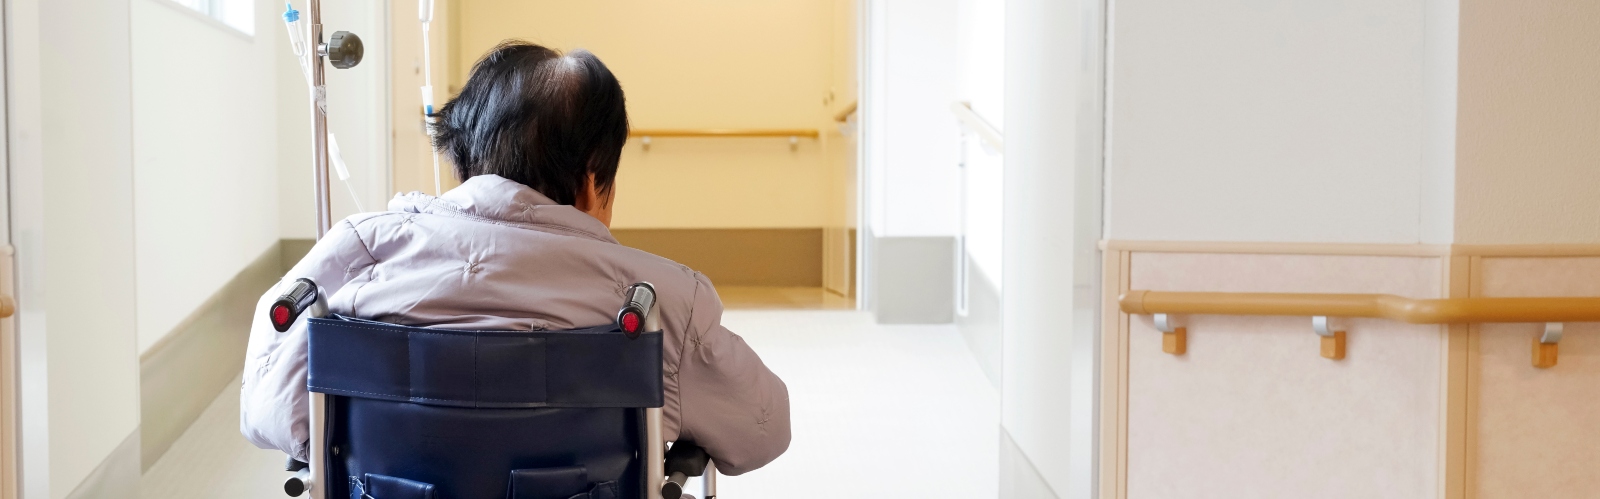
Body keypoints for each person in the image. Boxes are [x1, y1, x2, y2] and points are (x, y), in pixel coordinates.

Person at [240, 41, 791, 476]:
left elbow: (268, 414)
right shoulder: (661, 301)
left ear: (464, 161)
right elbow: (761, 431)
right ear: (597, 180)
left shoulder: (357, 254)